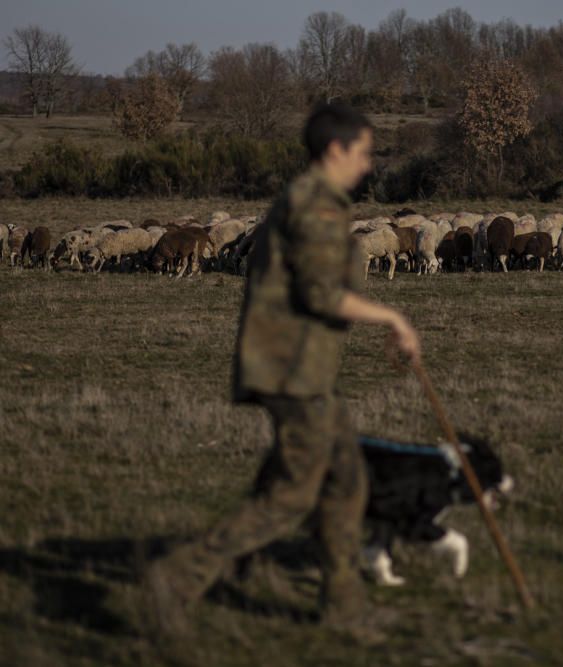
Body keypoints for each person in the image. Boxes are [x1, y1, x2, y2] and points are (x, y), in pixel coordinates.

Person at [143, 102, 421, 640]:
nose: (368, 164)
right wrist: (393, 317)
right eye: (364, 152)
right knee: (292, 495)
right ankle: (177, 577)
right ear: (336, 150)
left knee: (345, 479)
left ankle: (344, 606)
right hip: (289, 370)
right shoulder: (314, 206)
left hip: (304, 368)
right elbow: (320, 294)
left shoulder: (312, 200)